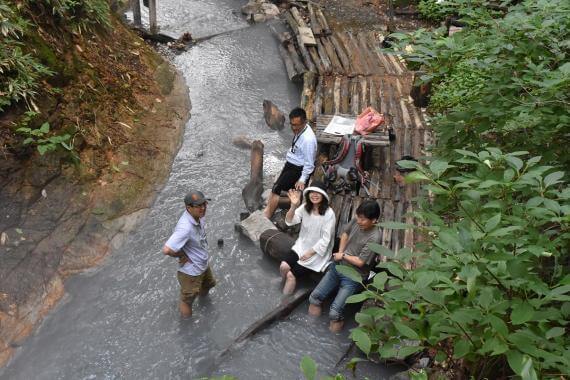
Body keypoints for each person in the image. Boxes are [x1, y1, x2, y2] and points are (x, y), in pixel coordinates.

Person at [308, 200, 381, 333]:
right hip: (338, 266)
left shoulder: (375, 237)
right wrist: (341, 253)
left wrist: (343, 256)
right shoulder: (357, 220)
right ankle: (310, 330)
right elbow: (345, 234)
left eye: (363, 219)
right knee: (314, 298)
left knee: (334, 313)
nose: (358, 221)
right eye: (358, 217)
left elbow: (360, 262)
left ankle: (330, 340)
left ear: (374, 220)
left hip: (354, 276)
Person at [162, 190, 216, 318]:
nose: (203, 208)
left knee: (208, 285)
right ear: (188, 208)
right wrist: (181, 255)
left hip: (202, 264)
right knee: (187, 301)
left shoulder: (197, 216)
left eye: (204, 204)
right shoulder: (185, 228)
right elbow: (166, 249)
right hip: (191, 273)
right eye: (198, 206)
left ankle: (204, 306)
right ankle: (187, 327)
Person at [279, 181, 336, 295]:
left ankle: (284, 301)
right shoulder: (305, 207)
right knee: (284, 267)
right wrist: (293, 206)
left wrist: (310, 253)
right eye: (312, 192)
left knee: (291, 275)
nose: (314, 195)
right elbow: (290, 221)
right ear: (308, 194)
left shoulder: (329, 214)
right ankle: (282, 285)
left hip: (317, 252)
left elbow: (326, 240)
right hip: (302, 245)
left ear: (323, 195)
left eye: (318, 193)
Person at [264, 107, 317, 219]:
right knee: (277, 188)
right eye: (292, 124)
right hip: (291, 163)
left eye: (297, 125)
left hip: (297, 168)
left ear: (305, 122)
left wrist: (302, 179)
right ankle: (269, 209)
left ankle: (267, 216)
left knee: (276, 189)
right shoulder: (301, 130)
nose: (294, 128)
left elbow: (309, 163)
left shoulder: (308, 140)